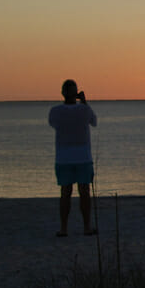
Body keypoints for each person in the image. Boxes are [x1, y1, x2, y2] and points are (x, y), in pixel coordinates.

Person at [48, 79, 98, 237]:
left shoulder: (55, 111)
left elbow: (53, 124)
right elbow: (94, 121)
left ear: (62, 93)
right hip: (82, 157)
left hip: (64, 158)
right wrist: (84, 102)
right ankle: (86, 227)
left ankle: (64, 228)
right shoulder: (84, 109)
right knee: (84, 193)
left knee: (65, 193)